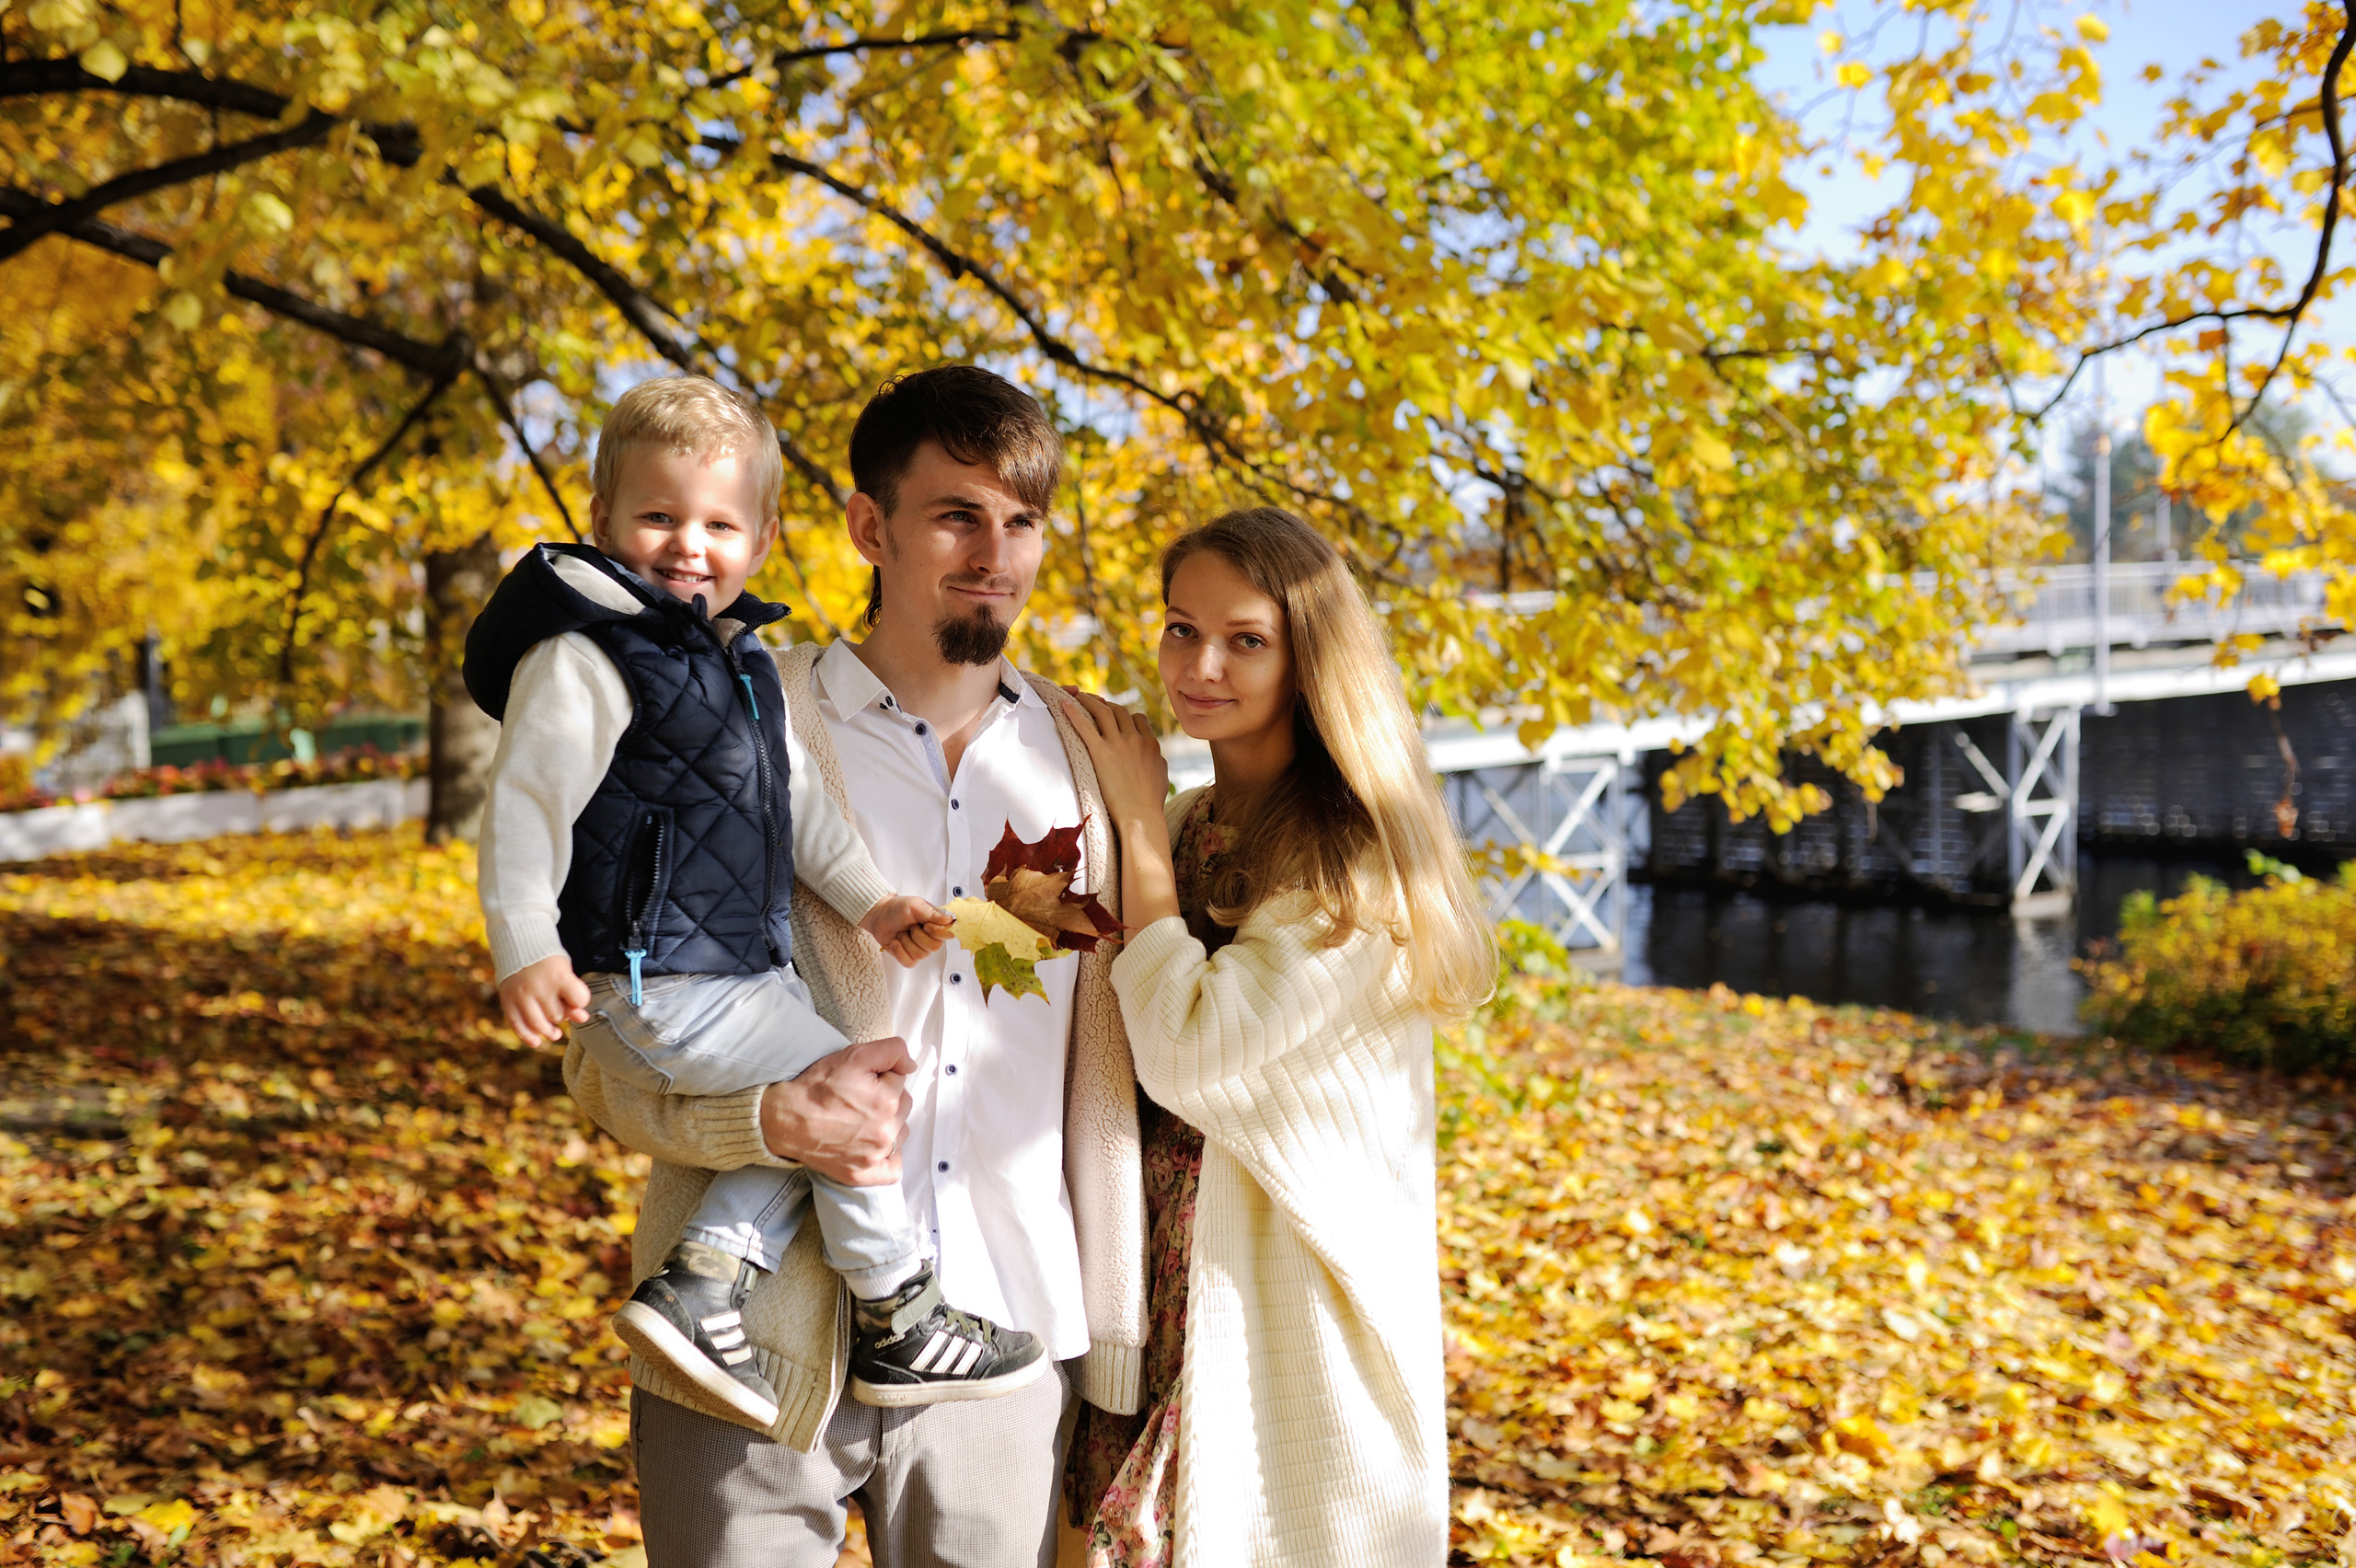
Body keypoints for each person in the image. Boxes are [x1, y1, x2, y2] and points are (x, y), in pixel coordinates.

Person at [557, 366, 1152, 1568]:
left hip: (1008, 1341)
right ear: (868, 526)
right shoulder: (724, 725)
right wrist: (764, 1118)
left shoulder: (1105, 766)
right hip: (758, 1349)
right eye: (956, 515)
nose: (997, 553)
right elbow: (599, 1047)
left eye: (1022, 521)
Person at [464, 375, 1048, 1435]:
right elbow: (524, 806)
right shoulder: (588, 656)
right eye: (658, 517)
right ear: (599, 520)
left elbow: (800, 806)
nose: (689, 546)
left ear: (764, 537)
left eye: (719, 523)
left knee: (836, 1095)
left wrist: (873, 905)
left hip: (731, 966)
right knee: (858, 1094)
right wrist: (525, 946)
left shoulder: (738, 666)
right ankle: (894, 1308)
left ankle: (706, 1278)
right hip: (654, 972)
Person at [1060, 506, 1496, 1567]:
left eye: (1245, 639)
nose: (1199, 664)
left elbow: (1187, 1046)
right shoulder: (1197, 819)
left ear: (1309, 659)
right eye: (1179, 628)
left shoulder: (1354, 862)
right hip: (1146, 1260)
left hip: (1271, 1278)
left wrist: (1133, 823)